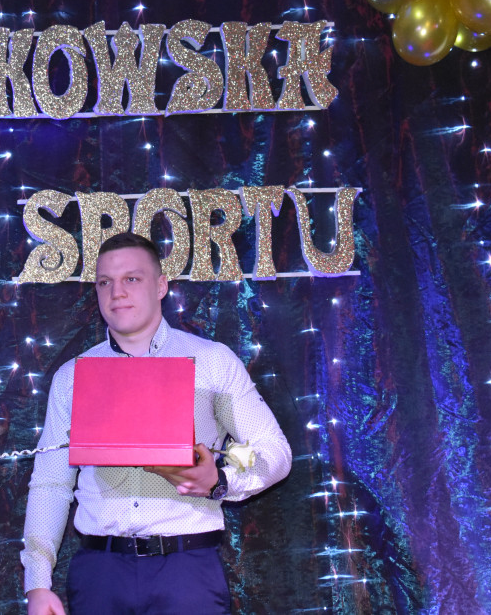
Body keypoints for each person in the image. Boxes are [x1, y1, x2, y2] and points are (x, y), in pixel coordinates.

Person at [20, 233, 293, 615]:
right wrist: (37, 582)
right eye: (104, 282)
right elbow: (51, 482)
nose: (117, 292)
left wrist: (221, 479)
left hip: (186, 572)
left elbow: (272, 451)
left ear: (161, 285)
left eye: (131, 278)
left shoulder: (211, 362)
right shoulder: (73, 376)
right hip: (100, 574)